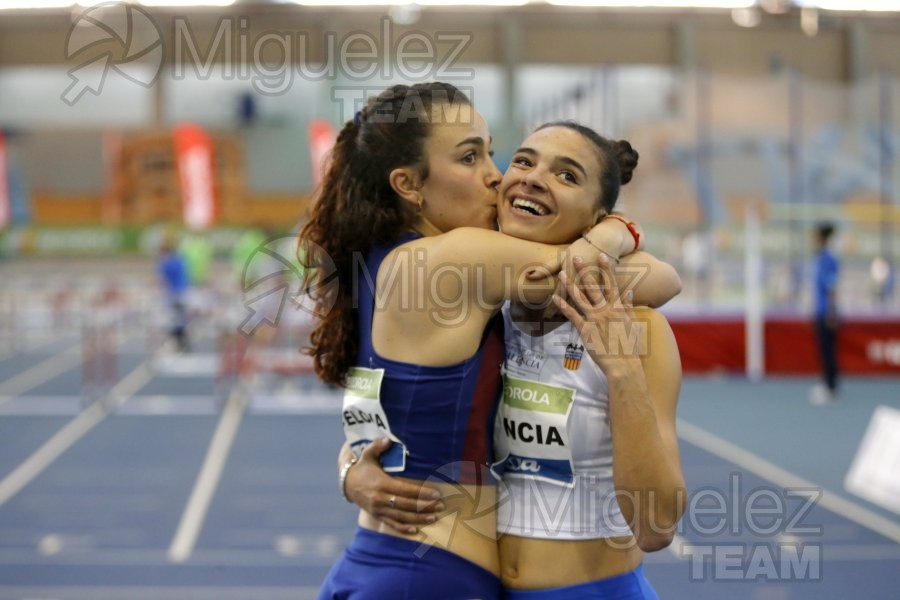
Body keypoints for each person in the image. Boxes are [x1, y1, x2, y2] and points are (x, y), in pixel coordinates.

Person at [301, 84, 680, 600]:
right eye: (471, 156)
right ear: (408, 184)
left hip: (391, 563)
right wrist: (613, 233)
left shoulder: (400, 269)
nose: (500, 174)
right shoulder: (459, 266)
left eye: (490, 150)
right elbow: (652, 278)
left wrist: (349, 469)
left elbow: (388, 419)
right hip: (431, 574)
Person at [809, 222, 840, 405]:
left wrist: (831, 311)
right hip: (819, 309)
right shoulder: (819, 258)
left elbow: (831, 287)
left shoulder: (828, 258)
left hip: (826, 311)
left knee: (828, 350)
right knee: (824, 349)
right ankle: (828, 384)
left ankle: (831, 387)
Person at [157, 238, 190, 351]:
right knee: (179, 315)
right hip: (182, 290)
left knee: (176, 316)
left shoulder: (167, 263)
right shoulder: (179, 259)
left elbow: (163, 279)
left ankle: (179, 340)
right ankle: (181, 340)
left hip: (174, 292)